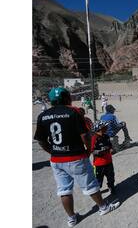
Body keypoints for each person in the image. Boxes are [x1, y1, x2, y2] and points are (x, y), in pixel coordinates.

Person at [34, 87, 119, 227]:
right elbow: (84, 135)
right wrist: (88, 150)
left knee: (64, 190)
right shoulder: (73, 112)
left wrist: (52, 151)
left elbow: (41, 140)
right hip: (75, 156)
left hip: (56, 159)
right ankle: (104, 207)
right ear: (67, 97)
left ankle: (72, 218)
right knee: (90, 185)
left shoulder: (43, 115)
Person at [90, 120, 117, 195]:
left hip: (108, 162)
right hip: (99, 164)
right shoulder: (94, 138)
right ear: (99, 128)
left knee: (111, 176)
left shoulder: (106, 136)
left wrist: (111, 149)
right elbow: (91, 150)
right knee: (98, 179)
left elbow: (110, 146)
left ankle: (111, 186)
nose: (107, 128)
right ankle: (97, 191)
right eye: (105, 127)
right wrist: (99, 152)